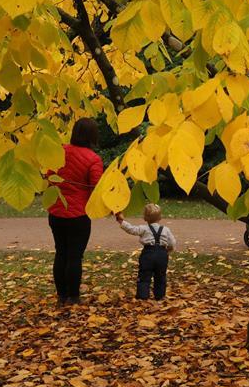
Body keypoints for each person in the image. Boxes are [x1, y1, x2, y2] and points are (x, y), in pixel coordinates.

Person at [47, 118, 104, 306]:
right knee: (74, 256)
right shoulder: (93, 159)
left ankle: (61, 296)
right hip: (78, 215)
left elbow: (49, 177)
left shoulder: (58, 152)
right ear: (93, 136)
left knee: (61, 253)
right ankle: (73, 296)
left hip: (56, 212)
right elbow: (97, 187)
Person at [115, 204, 176, 301]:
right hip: (162, 255)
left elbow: (132, 229)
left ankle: (143, 296)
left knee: (144, 275)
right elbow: (172, 242)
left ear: (145, 218)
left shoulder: (144, 228)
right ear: (160, 217)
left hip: (148, 254)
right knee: (161, 276)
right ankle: (160, 296)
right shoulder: (166, 230)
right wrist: (168, 251)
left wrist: (121, 221)